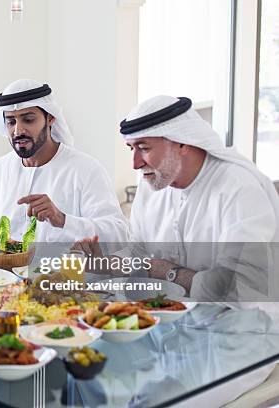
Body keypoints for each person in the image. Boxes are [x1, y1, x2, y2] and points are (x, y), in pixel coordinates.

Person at [75, 95, 279, 405]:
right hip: (170, 324)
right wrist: (104, 264)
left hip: (240, 335)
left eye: (144, 148)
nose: (134, 163)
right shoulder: (152, 183)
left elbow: (234, 289)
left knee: (154, 400)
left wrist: (166, 271)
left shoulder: (239, 188)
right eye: (132, 149)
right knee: (83, 363)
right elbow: (139, 252)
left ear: (182, 142)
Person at [0, 79, 128, 243]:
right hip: (7, 281)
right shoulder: (1, 167)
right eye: (11, 122)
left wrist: (62, 219)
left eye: (28, 119)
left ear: (50, 118)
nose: (18, 131)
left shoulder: (85, 169)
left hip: (63, 280)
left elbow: (119, 233)